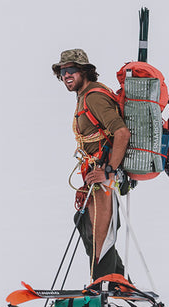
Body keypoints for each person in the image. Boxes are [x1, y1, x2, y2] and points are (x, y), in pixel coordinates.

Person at [52, 49, 131, 282]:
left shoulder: (94, 97)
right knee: (85, 222)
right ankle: (120, 282)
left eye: (71, 69)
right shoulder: (84, 96)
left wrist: (109, 170)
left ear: (84, 71)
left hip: (104, 175)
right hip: (94, 174)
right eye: (62, 71)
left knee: (100, 233)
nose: (66, 75)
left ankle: (103, 286)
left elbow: (122, 132)